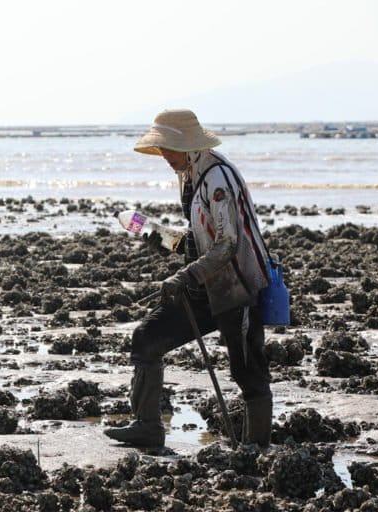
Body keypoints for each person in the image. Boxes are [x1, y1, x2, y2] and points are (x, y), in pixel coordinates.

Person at [104, 109, 273, 448]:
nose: (164, 156)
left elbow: (228, 244)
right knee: (146, 339)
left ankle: (258, 447)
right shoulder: (189, 175)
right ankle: (147, 427)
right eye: (161, 148)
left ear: (188, 144)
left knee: (247, 372)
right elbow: (198, 238)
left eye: (167, 148)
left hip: (237, 288)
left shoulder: (218, 179)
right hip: (203, 286)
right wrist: (156, 234)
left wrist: (185, 275)